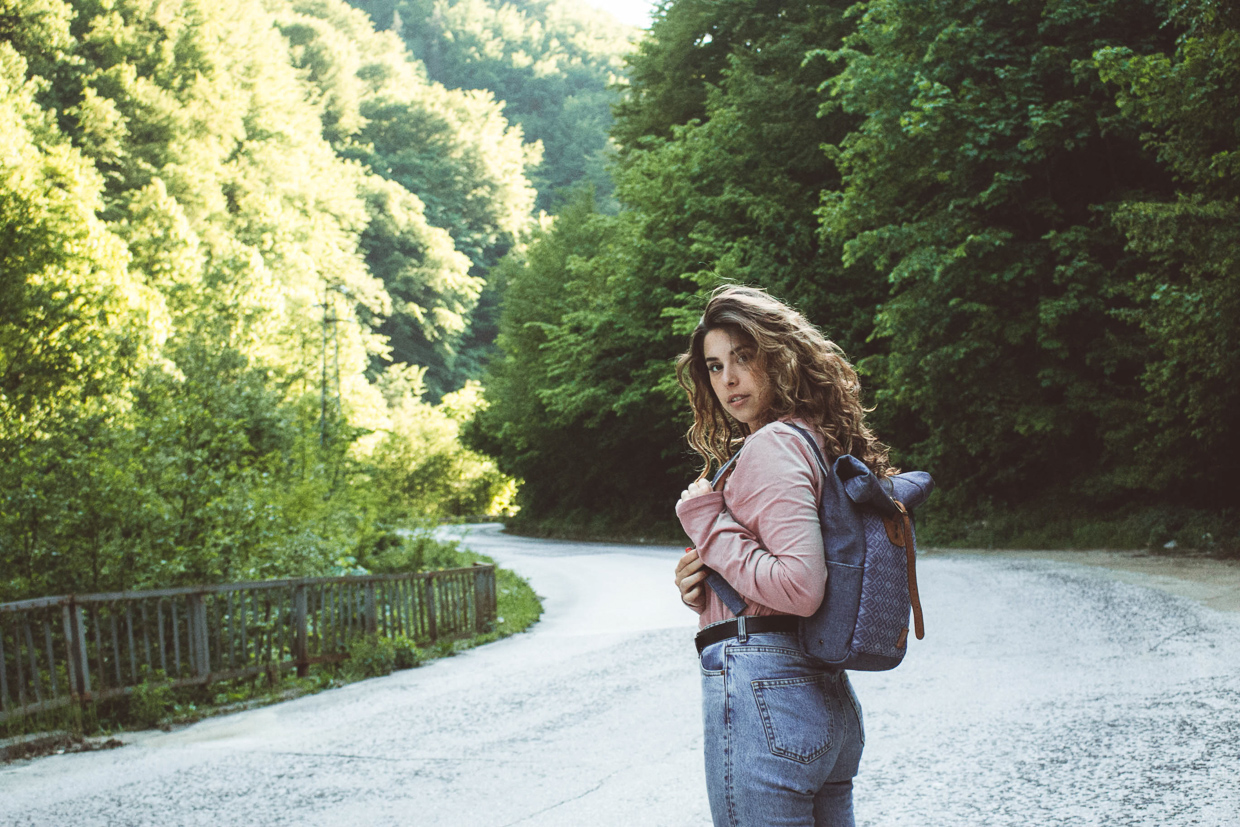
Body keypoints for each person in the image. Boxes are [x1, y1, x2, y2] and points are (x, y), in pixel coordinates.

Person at [673, 285, 894, 827]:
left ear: (779, 357)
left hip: (765, 692)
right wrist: (705, 581)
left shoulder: (773, 444)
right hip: (819, 695)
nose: (728, 379)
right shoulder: (813, 439)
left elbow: (799, 586)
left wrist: (705, 521)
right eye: (715, 365)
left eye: (744, 358)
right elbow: (778, 574)